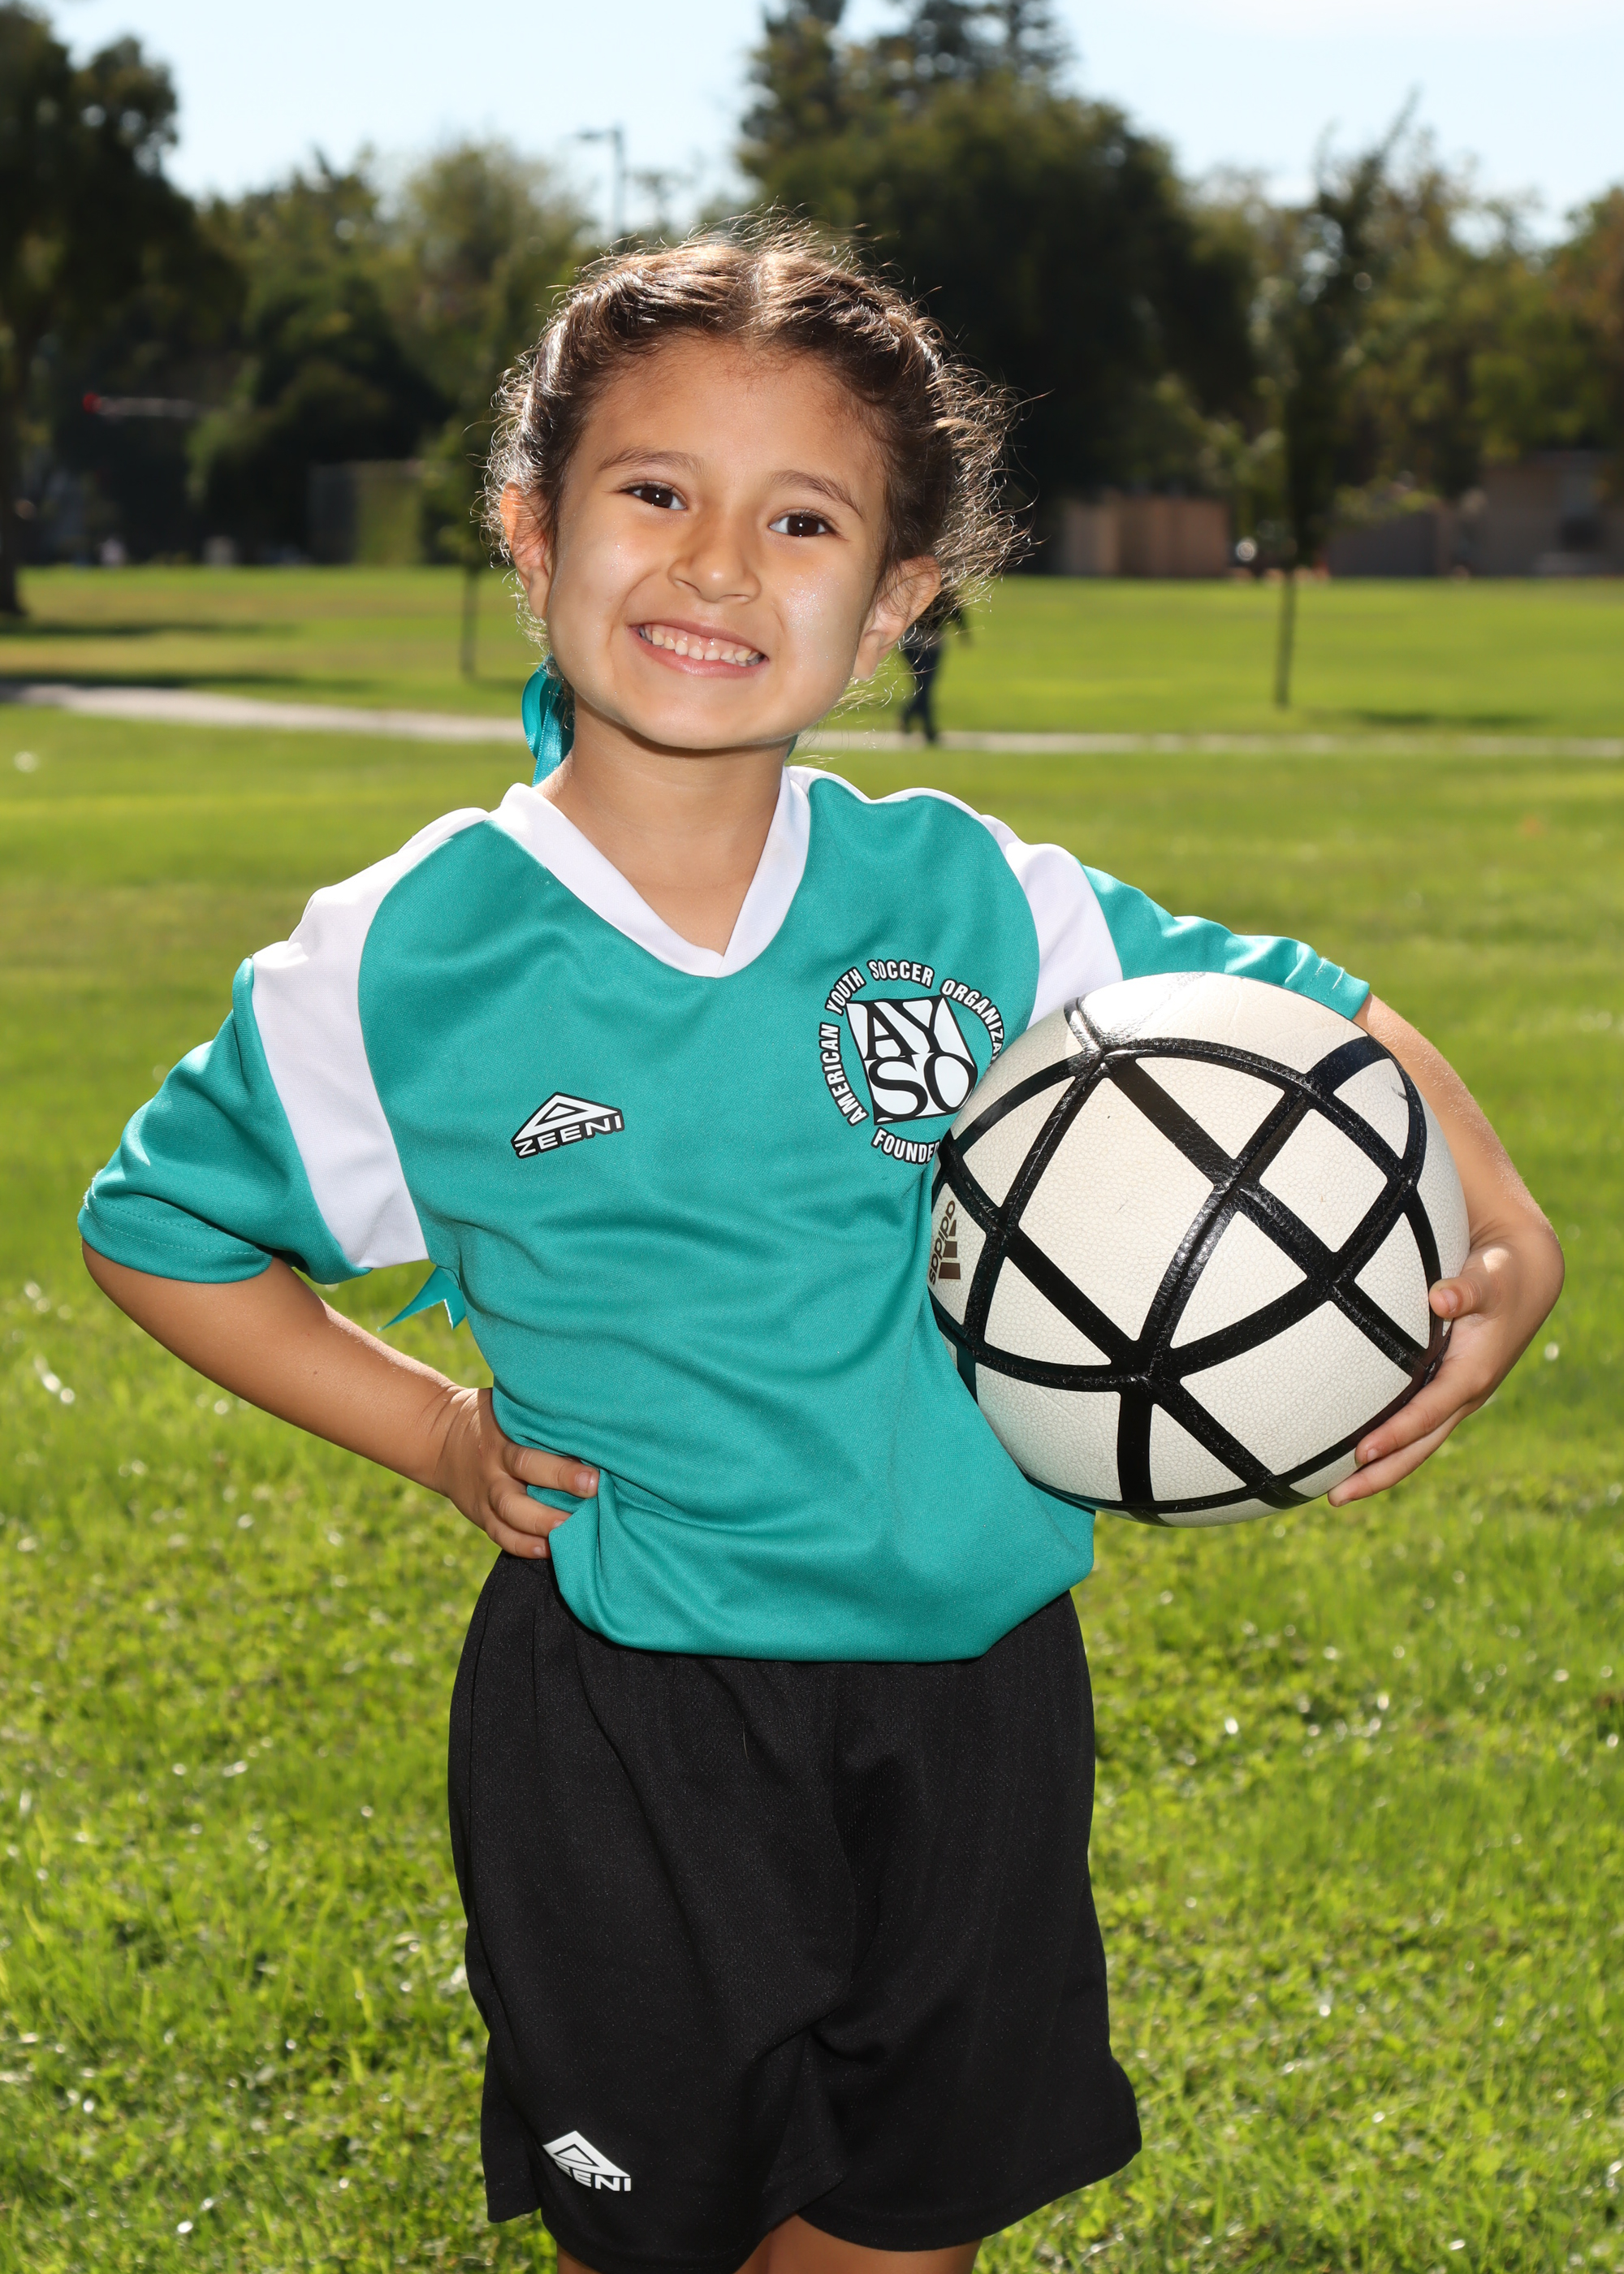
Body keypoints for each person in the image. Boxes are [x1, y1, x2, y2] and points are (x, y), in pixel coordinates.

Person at [79, 230, 1562, 2274]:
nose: (714, 566)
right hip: (637, 1724)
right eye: (653, 491)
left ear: (892, 603)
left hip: (980, 1702)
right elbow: (160, 1227)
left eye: (800, 521)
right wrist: (429, 1432)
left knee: (897, 2231)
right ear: (530, 529)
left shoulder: (970, 895)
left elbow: (1311, 1009)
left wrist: (1510, 1226)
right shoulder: (405, 958)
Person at [899, 603, 963, 742]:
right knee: (925, 686)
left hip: (922, 642)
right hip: (919, 642)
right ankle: (924, 726)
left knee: (924, 686)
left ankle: (912, 719)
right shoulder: (943, 592)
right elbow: (956, 611)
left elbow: (956, 611)